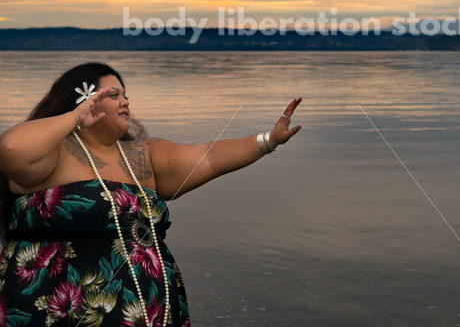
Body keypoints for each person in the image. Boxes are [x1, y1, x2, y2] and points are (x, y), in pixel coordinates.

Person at [0, 63, 302, 326]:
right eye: (113, 94)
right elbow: (12, 148)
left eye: (126, 94)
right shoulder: (51, 154)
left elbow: (207, 157)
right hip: (57, 306)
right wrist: (76, 118)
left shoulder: (144, 154)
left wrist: (269, 140)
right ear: (83, 100)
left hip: (146, 306)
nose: (125, 101)